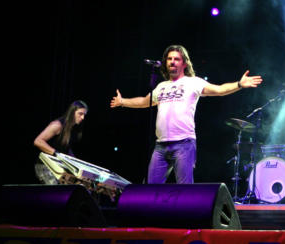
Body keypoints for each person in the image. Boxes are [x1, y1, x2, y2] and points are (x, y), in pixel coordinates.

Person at [110, 44, 262, 184]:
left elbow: (219, 90)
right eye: (169, 59)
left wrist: (239, 84)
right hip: (160, 146)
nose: (172, 62)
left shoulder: (193, 82)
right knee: (151, 188)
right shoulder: (161, 86)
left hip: (183, 144)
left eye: (176, 59)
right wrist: (122, 101)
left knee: (184, 189)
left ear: (184, 63)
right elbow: (144, 101)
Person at [33, 100, 88, 184]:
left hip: (57, 166)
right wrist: (56, 154)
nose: (82, 118)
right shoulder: (57, 125)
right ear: (72, 112)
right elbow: (38, 141)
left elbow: (66, 148)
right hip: (45, 166)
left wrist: (77, 163)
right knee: (56, 190)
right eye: (80, 114)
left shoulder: (72, 128)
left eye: (84, 115)